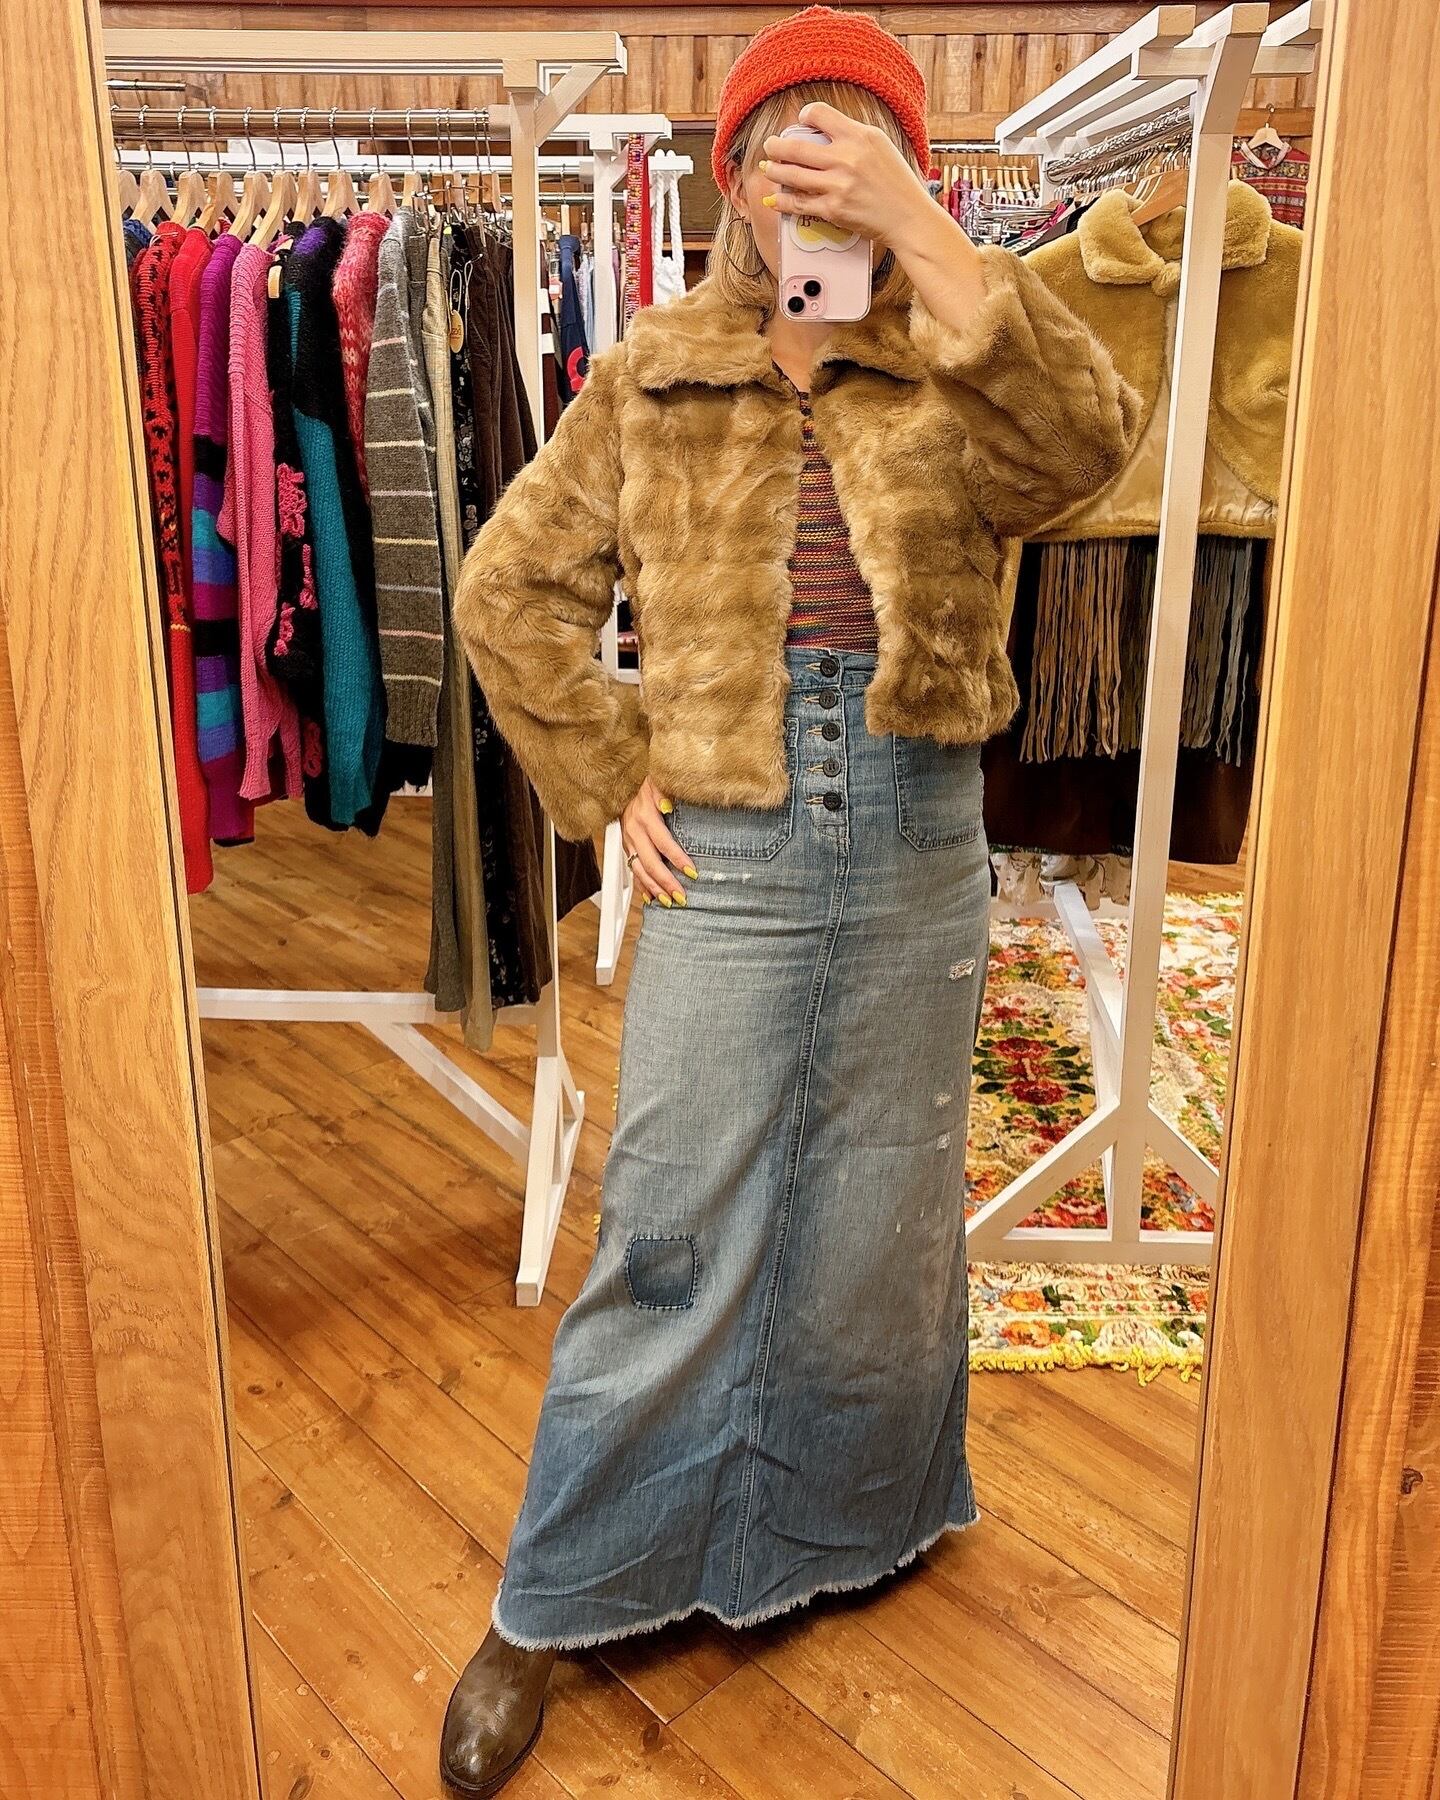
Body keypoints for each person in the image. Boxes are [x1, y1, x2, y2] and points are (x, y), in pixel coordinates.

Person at [441, 8, 1138, 1792]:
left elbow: (1091, 448)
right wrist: (610, 767)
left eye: (854, 147)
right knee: (672, 1218)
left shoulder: (962, 364)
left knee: (878, 1208)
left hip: (915, 830)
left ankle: (835, 1526)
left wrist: (925, 235)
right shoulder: (654, 373)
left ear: (906, 166)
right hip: (732, 838)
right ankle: (553, 1595)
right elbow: (509, 590)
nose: (809, 185)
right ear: (731, 179)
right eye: (780, 150)